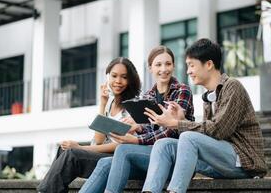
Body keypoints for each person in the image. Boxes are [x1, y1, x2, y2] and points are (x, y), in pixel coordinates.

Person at [141, 38, 268, 193]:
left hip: (245, 163)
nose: (188, 71)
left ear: (208, 64)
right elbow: (208, 136)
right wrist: (182, 120)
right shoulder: (209, 96)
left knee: (188, 137)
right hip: (220, 162)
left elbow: (219, 130)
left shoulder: (232, 87)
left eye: (191, 65)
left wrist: (176, 124)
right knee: (164, 145)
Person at [79, 45, 195, 193]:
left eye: (168, 64)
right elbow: (148, 128)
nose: (163, 69)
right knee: (104, 163)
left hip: (175, 160)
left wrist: (136, 139)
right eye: (158, 64)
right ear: (150, 68)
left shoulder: (182, 90)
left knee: (123, 149)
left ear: (173, 65)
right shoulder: (147, 97)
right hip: (150, 158)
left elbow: (171, 130)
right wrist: (138, 128)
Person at [37, 57, 141, 193]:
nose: (118, 81)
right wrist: (103, 103)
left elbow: (122, 145)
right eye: (114, 76)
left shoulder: (134, 105)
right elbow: (98, 140)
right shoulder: (110, 103)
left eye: (124, 77)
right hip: (104, 153)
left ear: (131, 80)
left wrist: (81, 148)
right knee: (63, 149)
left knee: (72, 155)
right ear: (108, 77)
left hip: (118, 159)